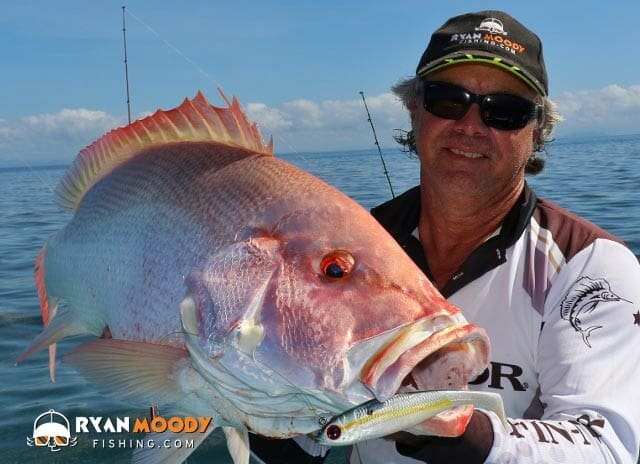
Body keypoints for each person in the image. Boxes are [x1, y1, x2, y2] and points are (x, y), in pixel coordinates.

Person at [250, 10, 640, 463]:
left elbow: (607, 446)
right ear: (415, 111)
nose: (471, 125)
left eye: (506, 111)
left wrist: (454, 429)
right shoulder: (347, 250)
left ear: (536, 132)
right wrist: (245, 399)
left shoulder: (588, 266)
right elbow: (299, 440)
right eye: (447, 100)